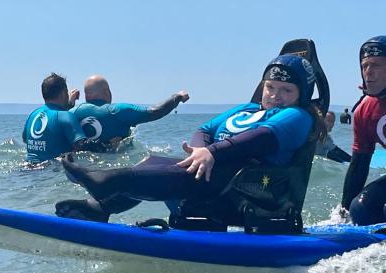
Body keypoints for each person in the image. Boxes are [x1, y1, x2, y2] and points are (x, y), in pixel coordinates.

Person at [56, 54, 325, 225]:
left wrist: (213, 154)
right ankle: (98, 208)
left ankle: (107, 182)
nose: (275, 95)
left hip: (249, 191)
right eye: (270, 87)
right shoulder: (248, 108)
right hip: (216, 180)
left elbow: (261, 139)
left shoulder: (298, 116)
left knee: (187, 172)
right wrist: (200, 150)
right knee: (155, 162)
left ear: (301, 94)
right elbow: (205, 129)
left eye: (286, 90)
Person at [72, 75, 189, 151]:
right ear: (107, 92)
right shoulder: (119, 110)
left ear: (86, 95)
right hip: (117, 165)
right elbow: (156, 111)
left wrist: (69, 102)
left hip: (85, 165)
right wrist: (178, 96)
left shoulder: (71, 113)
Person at [341, 36, 386, 225]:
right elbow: (359, 165)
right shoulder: (364, 111)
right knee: (361, 208)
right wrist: (343, 215)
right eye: (364, 66)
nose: (368, 72)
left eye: (375, 65)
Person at [22, 73, 99, 164]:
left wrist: (69, 104)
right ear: (63, 93)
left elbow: (25, 139)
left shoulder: (33, 114)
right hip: (51, 169)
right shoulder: (66, 116)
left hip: (28, 169)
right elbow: (82, 145)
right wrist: (109, 144)